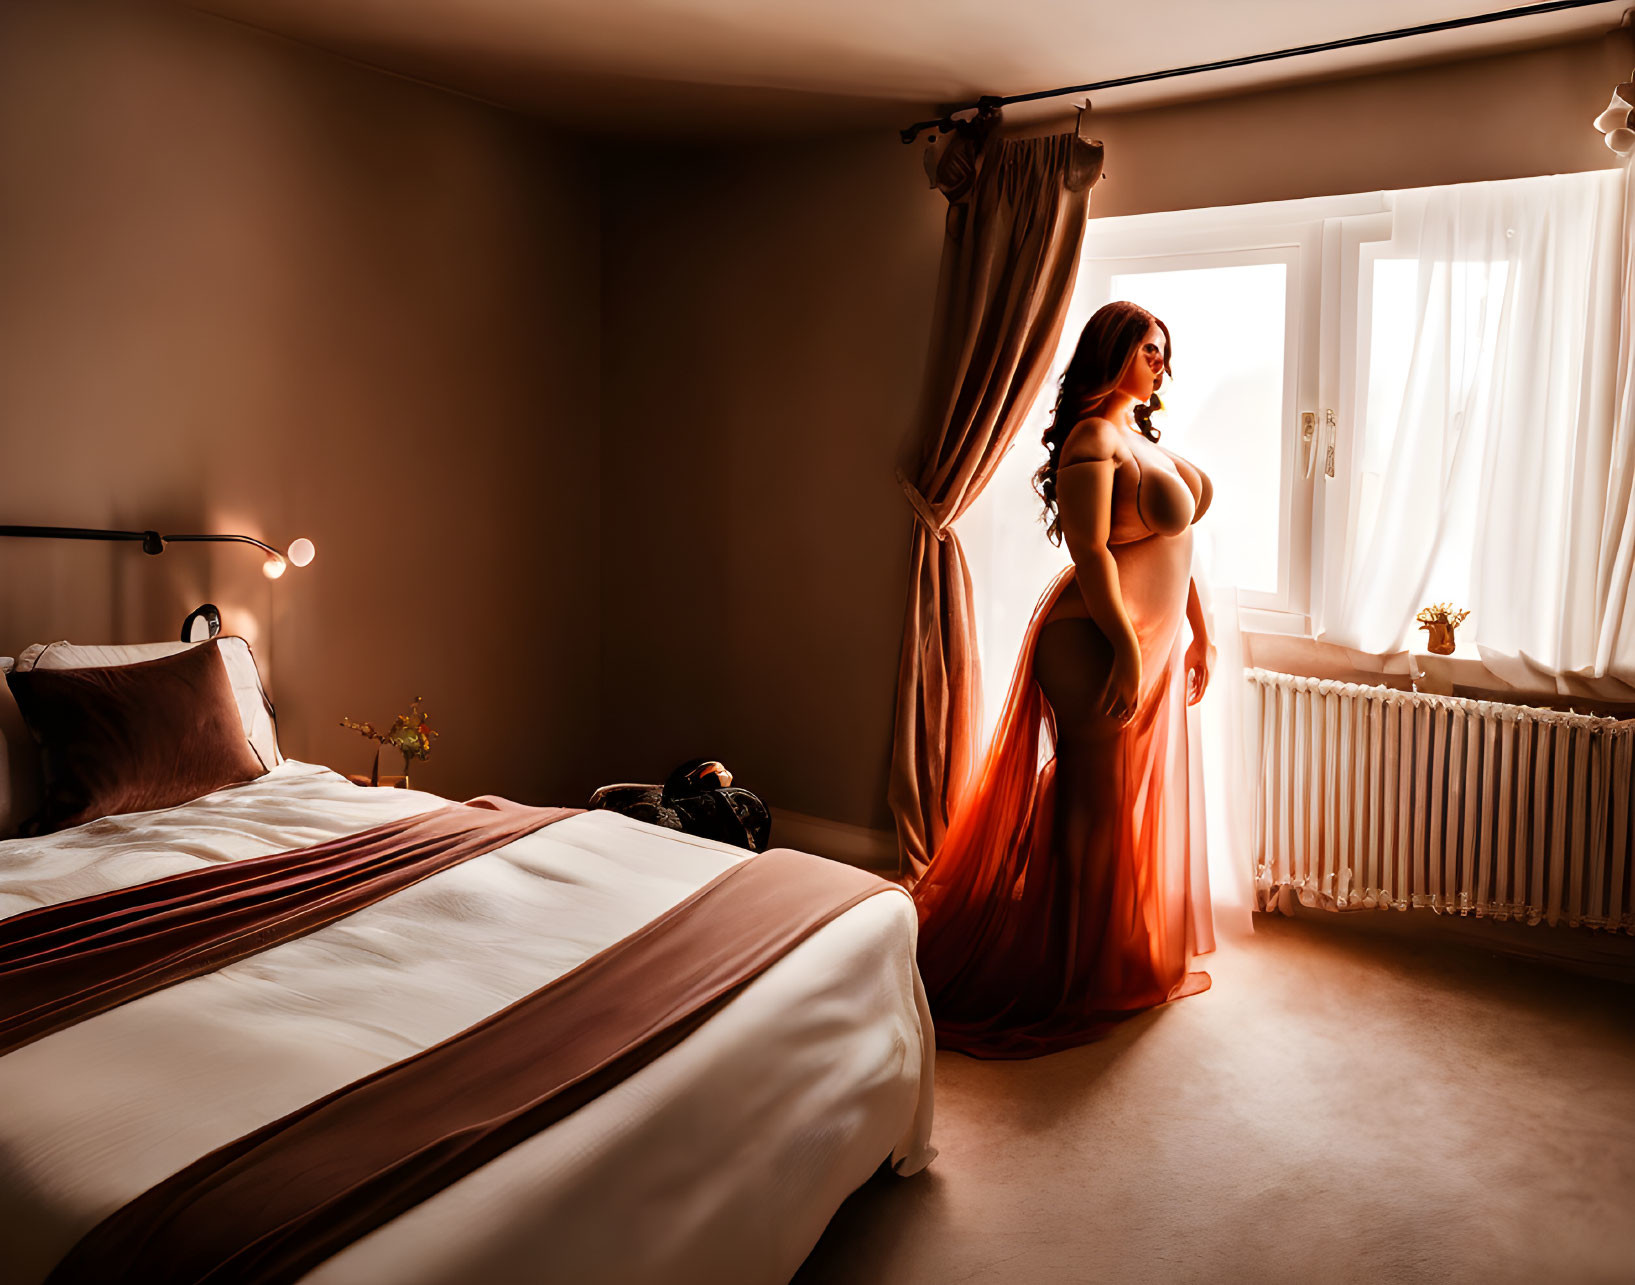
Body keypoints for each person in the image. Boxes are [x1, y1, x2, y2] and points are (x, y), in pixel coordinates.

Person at [911, 300, 1217, 1059]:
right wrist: (1122, 647)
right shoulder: (1090, 439)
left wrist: (1199, 636)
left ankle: (1096, 949)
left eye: (1164, 353)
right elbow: (1090, 553)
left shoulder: (1137, 439)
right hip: (1089, 642)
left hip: (1136, 645)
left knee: (1106, 803)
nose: (1160, 364)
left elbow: (1179, 554)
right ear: (1111, 351)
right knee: (1096, 802)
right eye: (1149, 349)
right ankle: (1073, 970)